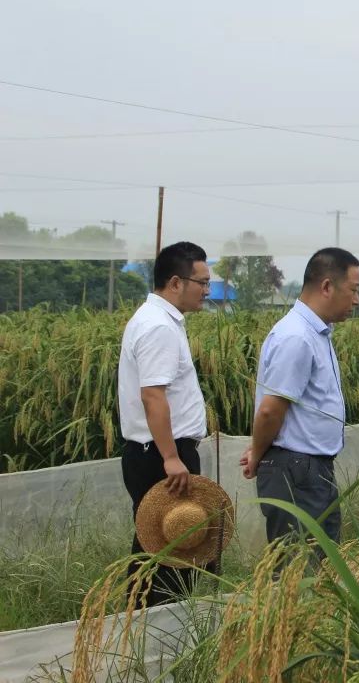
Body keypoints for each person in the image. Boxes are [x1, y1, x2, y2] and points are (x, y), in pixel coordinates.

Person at [240, 248, 359, 545]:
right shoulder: (297, 337)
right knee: (299, 569)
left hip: (309, 468)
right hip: (295, 470)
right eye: (353, 290)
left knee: (320, 565)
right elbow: (271, 410)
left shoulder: (315, 333)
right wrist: (257, 452)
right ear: (327, 287)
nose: (357, 300)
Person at [118, 241, 210, 606]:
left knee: (161, 547)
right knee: (169, 550)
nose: (207, 290)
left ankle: (146, 628)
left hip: (159, 452)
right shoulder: (158, 327)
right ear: (175, 282)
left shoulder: (159, 321)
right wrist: (172, 458)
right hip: (161, 456)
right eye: (201, 282)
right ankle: (152, 631)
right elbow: (153, 396)